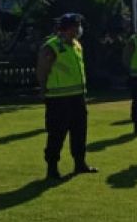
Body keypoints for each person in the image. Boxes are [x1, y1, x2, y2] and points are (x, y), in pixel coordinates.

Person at [36, 13, 97, 179]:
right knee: (57, 133)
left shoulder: (76, 44)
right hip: (58, 98)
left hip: (77, 96)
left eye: (78, 26)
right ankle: (52, 167)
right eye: (75, 26)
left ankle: (80, 163)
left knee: (79, 131)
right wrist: (43, 89)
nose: (78, 29)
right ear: (66, 28)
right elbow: (43, 69)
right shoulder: (52, 46)